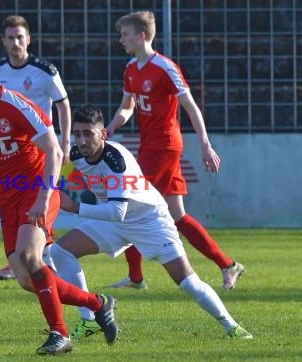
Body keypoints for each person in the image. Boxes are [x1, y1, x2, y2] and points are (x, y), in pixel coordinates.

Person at [0, 41, 119, 355]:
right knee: (28, 280)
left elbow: (55, 151)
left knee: (30, 257)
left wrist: (44, 198)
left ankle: (60, 333)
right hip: (8, 198)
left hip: (36, 191)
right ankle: (97, 303)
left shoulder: (17, 105)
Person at [51, 104, 252, 340]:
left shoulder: (117, 163)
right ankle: (88, 320)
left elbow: (117, 211)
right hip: (115, 223)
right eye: (77, 134)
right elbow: (56, 172)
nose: (82, 141)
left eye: (88, 134)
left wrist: (73, 207)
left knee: (187, 281)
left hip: (150, 222)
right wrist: (48, 188)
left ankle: (233, 327)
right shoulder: (76, 154)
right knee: (61, 251)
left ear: (103, 134)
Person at [106, 11, 244, 290]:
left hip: (165, 146)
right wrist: (110, 128)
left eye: (125, 34)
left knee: (131, 203)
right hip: (150, 145)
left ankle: (136, 277)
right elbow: (127, 106)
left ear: (141, 35)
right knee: (177, 215)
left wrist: (205, 144)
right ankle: (228, 265)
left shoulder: (165, 68)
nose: (121, 39)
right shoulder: (131, 68)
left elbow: (190, 107)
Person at [0, 15, 72, 281]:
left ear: (28, 39)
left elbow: (63, 104)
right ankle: (46, 271)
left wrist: (65, 140)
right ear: (3, 41)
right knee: (34, 260)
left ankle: (31, 260)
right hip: (9, 163)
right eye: (10, 37)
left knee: (30, 252)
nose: (15, 42)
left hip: (39, 154)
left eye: (20, 37)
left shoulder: (45, 70)